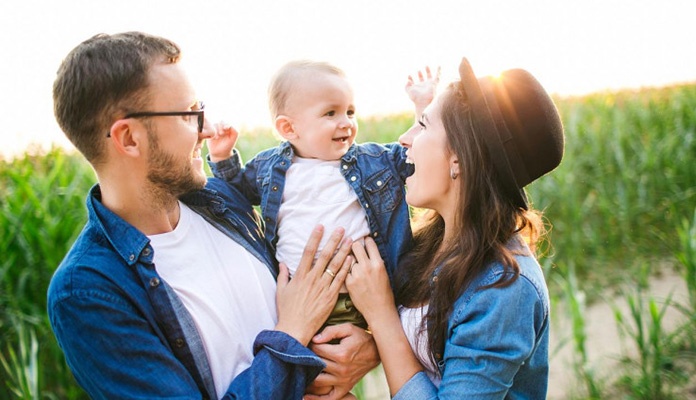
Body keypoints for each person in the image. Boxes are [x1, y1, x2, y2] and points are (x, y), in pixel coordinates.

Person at [47, 31, 377, 400]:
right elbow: (297, 320)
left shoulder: (222, 203)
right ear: (128, 139)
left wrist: (367, 346)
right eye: (189, 114)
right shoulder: (89, 293)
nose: (204, 129)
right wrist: (291, 334)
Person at [345, 57, 564, 398]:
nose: (403, 138)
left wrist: (382, 316)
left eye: (421, 125)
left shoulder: (505, 290)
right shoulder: (436, 241)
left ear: (459, 159)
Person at [207, 61, 437, 331]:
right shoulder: (271, 168)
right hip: (296, 300)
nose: (347, 123)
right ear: (289, 129)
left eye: (350, 112)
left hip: (361, 298)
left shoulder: (372, 161)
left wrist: (423, 107)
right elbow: (235, 193)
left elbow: (413, 159)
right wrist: (222, 157)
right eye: (331, 113)